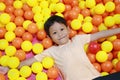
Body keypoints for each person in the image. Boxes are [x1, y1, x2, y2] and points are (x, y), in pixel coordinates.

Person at [0, 15, 120, 80]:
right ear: (49, 37)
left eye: (62, 29)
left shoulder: (77, 40)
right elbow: (30, 61)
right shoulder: (52, 51)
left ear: (68, 29)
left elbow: (101, 34)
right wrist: (8, 68)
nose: (60, 34)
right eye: (55, 33)